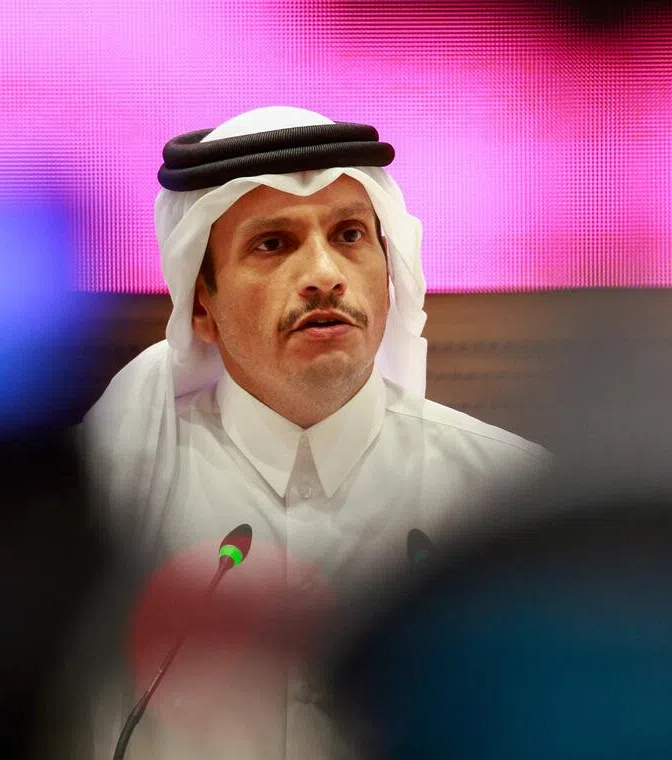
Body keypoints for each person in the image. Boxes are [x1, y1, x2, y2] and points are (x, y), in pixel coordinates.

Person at [74, 105, 550, 760]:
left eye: (350, 235)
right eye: (273, 244)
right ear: (202, 307)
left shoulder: (509, 497)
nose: (325, 274)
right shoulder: (111, 496)